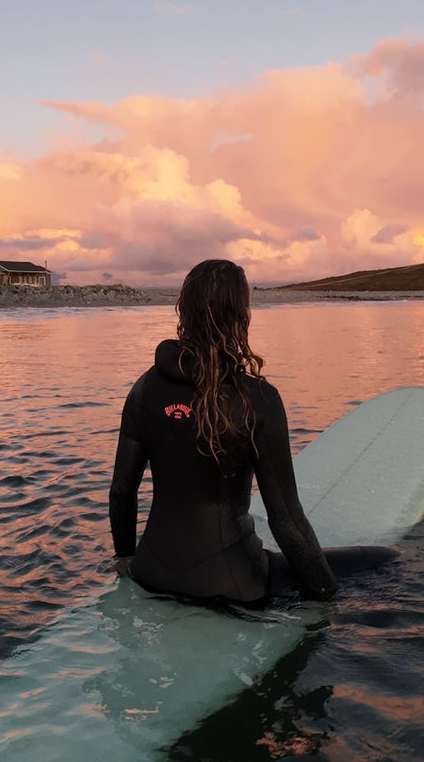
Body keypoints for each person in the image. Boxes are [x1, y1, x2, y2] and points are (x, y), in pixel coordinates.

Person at [109, 259, 394, 607]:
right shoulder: (257, 399)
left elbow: (122, 493)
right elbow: (286, 521)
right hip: (232, 586)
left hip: (150, 573)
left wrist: (125, 559)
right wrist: (327, 599)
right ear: (240, 316)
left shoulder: (144, 389)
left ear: (185, 310)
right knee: (382, 561)